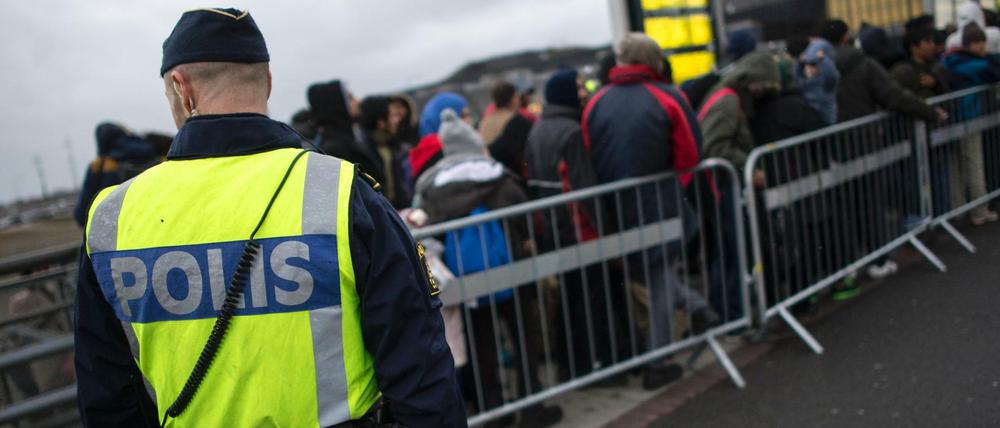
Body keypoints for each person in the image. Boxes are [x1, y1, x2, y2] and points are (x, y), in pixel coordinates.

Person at [73, 9, 465, 427]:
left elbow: (108, 397)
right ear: (269, 82)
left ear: (181, 88)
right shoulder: (342, 194)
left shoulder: (111, 218)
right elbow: (421, 375)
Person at [583, 32, 719, 389]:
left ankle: (698, 309)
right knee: (659, 280)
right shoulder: (668, 97)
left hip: (615, 209)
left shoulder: (596, 104)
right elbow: (690, 155)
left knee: (653, 277)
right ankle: (658, 360)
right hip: (661, 202)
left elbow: (589, 158)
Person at [413, 109, 563, 428]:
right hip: (511, 267)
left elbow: (427, 226)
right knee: (523, 336)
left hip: (465, 275)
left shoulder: (433, 186)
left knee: (482, 344)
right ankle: (532, 405)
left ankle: (493, 408)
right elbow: (523, 216)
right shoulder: (498, 176)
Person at [820, 18, 944, 293]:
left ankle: (847, 267)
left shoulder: (811, 68)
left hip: (824, 150)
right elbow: (894, 96)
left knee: (840, 211)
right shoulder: (863, 64)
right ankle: (877, 260)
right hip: (861, 144)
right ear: (846, 37)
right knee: (868, 203)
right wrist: (930, 112)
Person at [942, 23, 1000, 225]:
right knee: (974, 163)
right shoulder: (974, 64)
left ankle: (959, 209)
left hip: (950, 117)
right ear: (973, 43)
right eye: (982, 44)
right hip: (969, 115)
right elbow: (994, 73)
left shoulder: (949, 59)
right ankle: (980, 211)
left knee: (956, 166)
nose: (984, 48)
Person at [73, 123, 159, 227]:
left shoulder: (101, 165)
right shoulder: (156, 155)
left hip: (119, 232)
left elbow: (82, 214)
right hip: (155, 226)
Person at [308, 79, 381, 176]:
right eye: (350, 98)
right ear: (337, 105)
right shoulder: (335, 149)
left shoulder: (351, 138)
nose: (357, 102)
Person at [358, 96, 412, 209]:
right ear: (381, 123)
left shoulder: (396, 148)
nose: (397, 120)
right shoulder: (362, 154)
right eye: (392, 116)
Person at [409, 92, 470, 181]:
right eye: (462, 116)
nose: (469, 120)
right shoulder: (439, 152)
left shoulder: (466, 143)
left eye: (469, 115)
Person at [478, 81, 534, 176]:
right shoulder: (516, 121)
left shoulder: (484, 122)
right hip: (513, 174)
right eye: (516, 96)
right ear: (512, 99)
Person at [890, 27, 951, 99]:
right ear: (914, 47)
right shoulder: (902, 71)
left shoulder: (937, 66)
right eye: (927, 41)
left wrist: (935, 84)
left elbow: (949, 92)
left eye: (932, 41)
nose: (933, 45)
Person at [797, 38, 840, 125]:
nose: (808, 68)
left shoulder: (826, 85)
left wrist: (822, 60)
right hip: (812, 123)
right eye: (807, 65)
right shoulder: (805, 83)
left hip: (826, 122)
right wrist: (800, 63)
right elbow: (797, 77)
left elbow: (831, 75)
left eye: (813, 65)